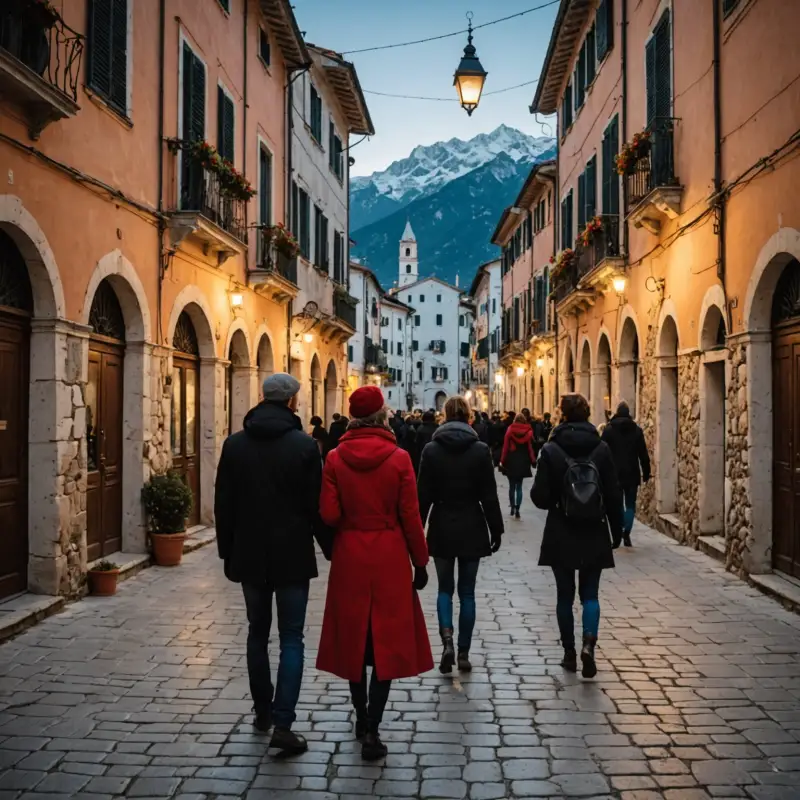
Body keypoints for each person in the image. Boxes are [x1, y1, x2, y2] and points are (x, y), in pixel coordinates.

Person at [214, 373, 331, 755]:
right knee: (292, 637)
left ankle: (263, 711)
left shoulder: (234, 446)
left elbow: (224, 506)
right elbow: (315, 507)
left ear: (263, 399)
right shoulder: (303, 447)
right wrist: (329, 547)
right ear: (292, 402)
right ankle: (284, 721)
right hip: (292, 555)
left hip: (249, 553)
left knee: (256, 633)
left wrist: (226, 551)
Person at [317, 386, 433, 761]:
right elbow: (411, 516)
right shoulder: (399, 459)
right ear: (383, 416)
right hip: (389, 555)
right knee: (386, 639)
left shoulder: (335, 457)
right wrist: (420, 559)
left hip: (350, 553)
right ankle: (373, 728)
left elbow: (329, 515)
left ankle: (360, 717)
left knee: (353, 637)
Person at [531, 393, 622, 679]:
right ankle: (589, 646)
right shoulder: (602, 448)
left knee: (564, 596)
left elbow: (540, 498)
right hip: (594, 529)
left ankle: (569, 653)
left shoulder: (551, 449)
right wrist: (616, 531)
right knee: (590, 595)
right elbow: (613, 492)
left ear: (563, 415)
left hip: (562, 529)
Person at [418, 397, 503, 674]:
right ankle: (464, 650)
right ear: (468, 416)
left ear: (444, 416)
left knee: (444, 589)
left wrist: (417, 528)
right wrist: (496, 528)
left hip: (442, 522)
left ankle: (447, 644)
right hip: (472, 524)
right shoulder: (479, 450)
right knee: (467, 592)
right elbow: (489, 494)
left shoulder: (431, 450)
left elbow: (423, 496)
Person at [601, 401, 651, 547]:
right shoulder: (636, 430)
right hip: (632, 473)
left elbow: (601, 450)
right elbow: (643, 453)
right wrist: (646, 471)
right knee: (630, 504)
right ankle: (626, 531)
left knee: (616, 505)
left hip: (613, 474)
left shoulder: (609, 430)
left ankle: (619, 529)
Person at [500, 413, 537, 519]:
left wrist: (502, 461)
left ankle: (512, 507)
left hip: (511, 460)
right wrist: (533, 460)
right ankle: (517, 509)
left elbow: (505, 448)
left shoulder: (510, 430)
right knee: (519, 486)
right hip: (523, 461)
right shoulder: (528, 432)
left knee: (511, 486)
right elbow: (530, 448)